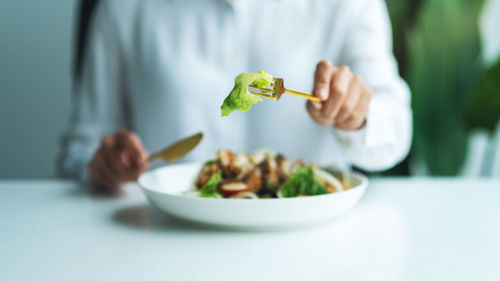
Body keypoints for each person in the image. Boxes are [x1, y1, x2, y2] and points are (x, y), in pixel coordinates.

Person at [58, 0, 412, 190]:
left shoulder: (348, 4)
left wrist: (358, 115)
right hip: (161, 244)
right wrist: (102, 166)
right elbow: (79, 152)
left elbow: (394, 131)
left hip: (311, 253)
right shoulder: (123, 6)